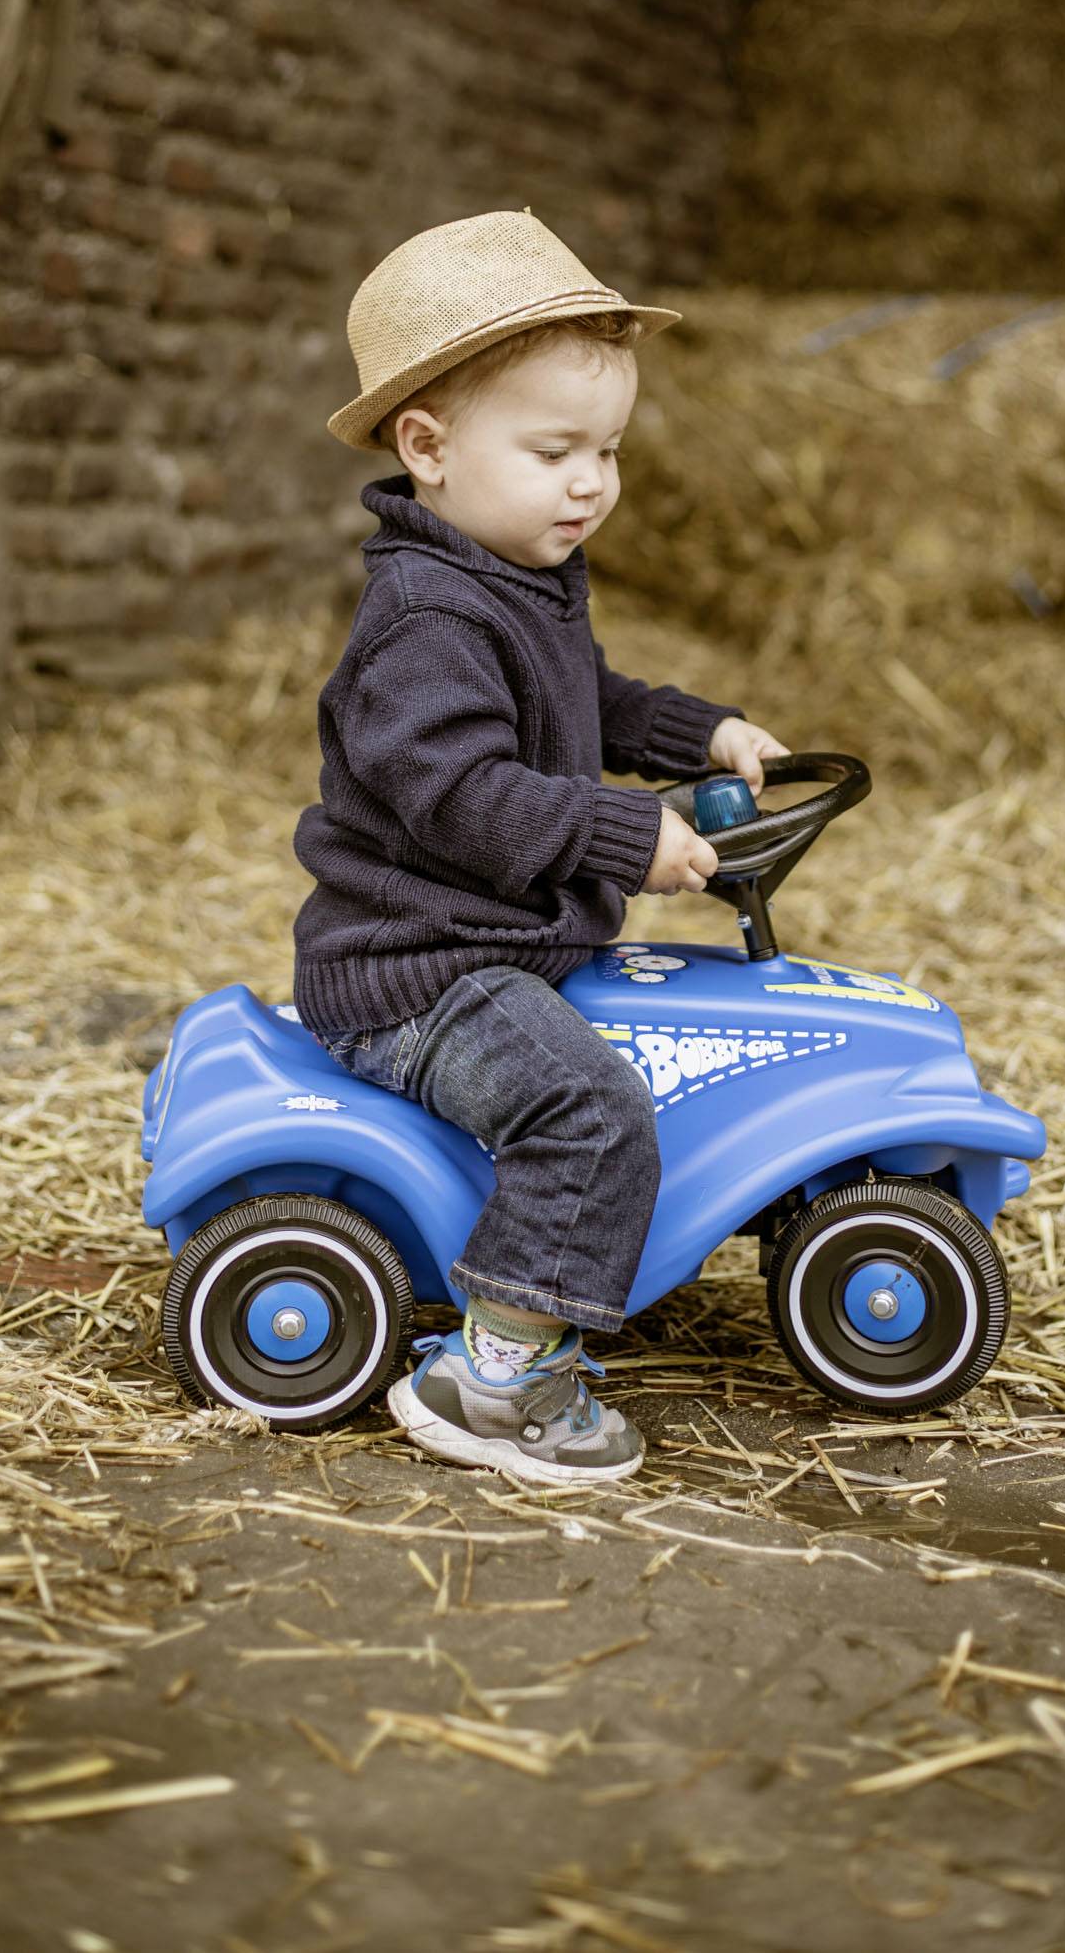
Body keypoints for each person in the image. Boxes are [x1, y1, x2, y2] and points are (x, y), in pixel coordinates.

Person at [292, 209, 788, 1483]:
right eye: (555, 449)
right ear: (429, 446)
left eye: (608, 451)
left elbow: (590, 702)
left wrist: (701, 731)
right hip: (417, 970)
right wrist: (629, 835)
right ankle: (497, 1375)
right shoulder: (421, 620)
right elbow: (465, 794)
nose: (591, 483)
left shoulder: (514, 572)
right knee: (588, 1108)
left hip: (488, 943)